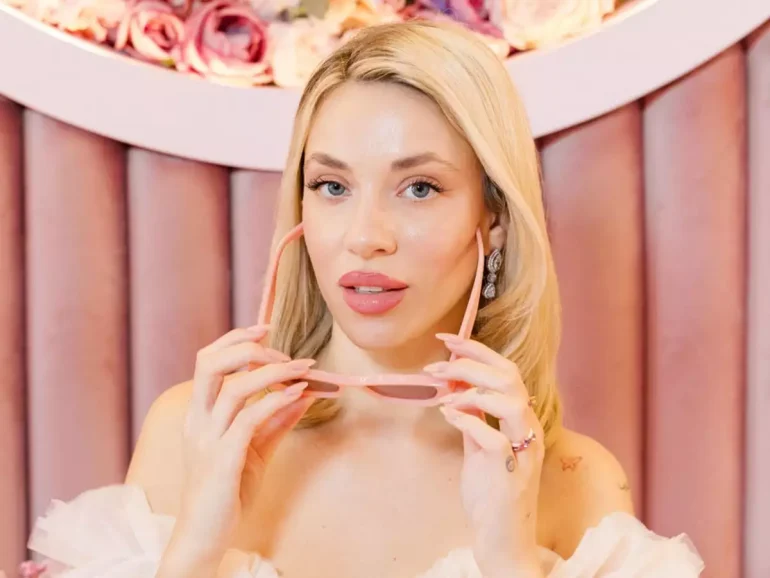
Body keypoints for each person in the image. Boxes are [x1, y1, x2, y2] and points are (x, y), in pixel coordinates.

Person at [24, 20, 704, 578]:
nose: (364, 237)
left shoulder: (574, 480)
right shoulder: (190, 431)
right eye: (332, 186)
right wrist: (196, 547)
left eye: (419, 188)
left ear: (493, 218)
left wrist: (508, 560)